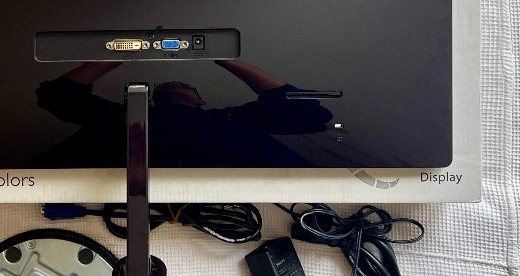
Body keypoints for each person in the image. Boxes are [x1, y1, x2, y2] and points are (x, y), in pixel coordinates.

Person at [29, 59, 333, 168]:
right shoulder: (120, 115)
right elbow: (57, 97)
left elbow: (307, 111)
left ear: (201, 100)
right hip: (111, 195)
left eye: (185, 85)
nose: (173, 84)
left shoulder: (231, 119)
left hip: (246, 200)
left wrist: (221, 56)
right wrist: (122, 50)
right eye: (166, 85)